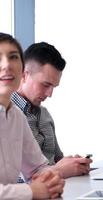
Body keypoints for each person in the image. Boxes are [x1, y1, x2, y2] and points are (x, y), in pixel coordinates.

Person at [11, 42, 92, 178]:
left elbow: (56, 160)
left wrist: (74, 164)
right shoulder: (6, 116)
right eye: (45, 84)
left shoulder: (44, 114)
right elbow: (11, 181)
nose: (50, 94)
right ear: (23, 75)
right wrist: (58, 170)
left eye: (53, 87)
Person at [0, 32, 65, 199]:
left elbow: (37, 168)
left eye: (13, 57)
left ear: (22, 69)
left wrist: (52, 178)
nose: (7, 65)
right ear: (25, 76)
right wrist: (31, 191)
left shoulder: (15, 116)